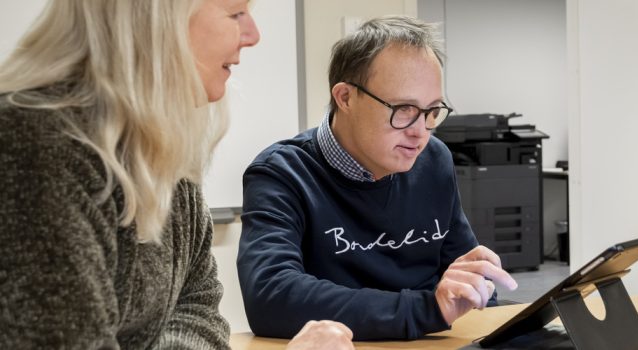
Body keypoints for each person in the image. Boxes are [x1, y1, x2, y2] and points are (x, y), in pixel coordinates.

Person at [0, 0, 353, 349]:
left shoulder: (161, 151)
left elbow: (199, 309)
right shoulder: (30, 146)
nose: (253, 35)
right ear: (154, 20)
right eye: (235, 14)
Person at [237, 15, 519, 341]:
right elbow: (271, 296)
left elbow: (465, 273)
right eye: (403, 109)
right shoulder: (282, 173)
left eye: (431, 112)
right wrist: (428, 309)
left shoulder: (434, 159)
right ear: (345, 98)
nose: (419, 132)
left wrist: (477, 290)